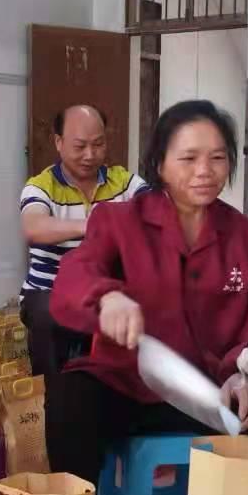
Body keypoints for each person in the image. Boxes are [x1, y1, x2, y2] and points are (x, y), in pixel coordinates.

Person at [48, 100, 248, 495]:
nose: (205, 170)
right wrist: (107, 296)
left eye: (218, 158)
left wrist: (246, 373)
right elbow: (75, 275)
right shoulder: (118, 222)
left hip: (217, 392)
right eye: (189, 158)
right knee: (70, 396)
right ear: (160, 163)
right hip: (131, 389)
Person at [19, 105, 147, 378]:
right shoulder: (41, 186)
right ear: (58, 142)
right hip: (48, 289)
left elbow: (155, 210)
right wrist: (92, 225)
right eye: (80, 146)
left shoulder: (124, 182)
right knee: (48, 318)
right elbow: (34, 226)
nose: (90, 155)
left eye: (98, 144)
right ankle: (51, 393)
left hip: (106, 291)